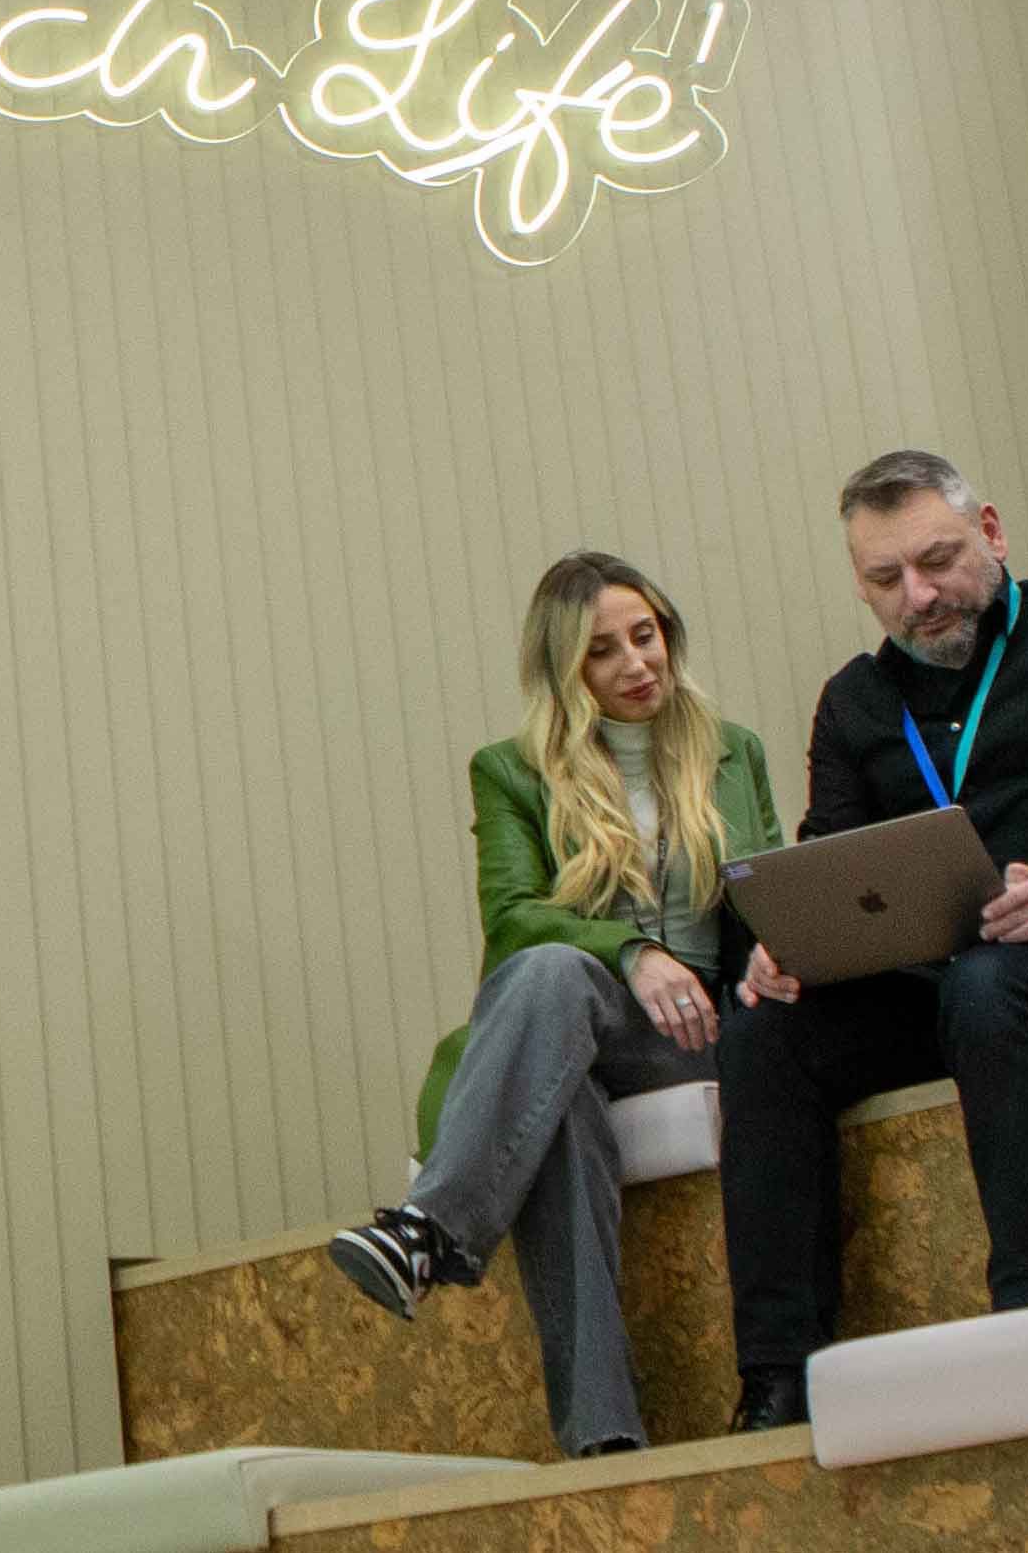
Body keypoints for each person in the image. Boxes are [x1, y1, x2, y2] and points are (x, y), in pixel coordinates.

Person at [711, 451, 1028, 1433]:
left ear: (990, 529)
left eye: (938, 559)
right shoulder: (855, 699)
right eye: (884, 579)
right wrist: (793, 944)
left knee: (990, 985)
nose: (920, 595)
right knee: (764, 1033)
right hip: (937, 976)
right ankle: (779, 1377)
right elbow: (832, 858)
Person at [325, 551, 784, 1457]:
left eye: (645, 637)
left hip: (701, 1031)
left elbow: (764, 888)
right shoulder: (512, 770)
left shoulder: (733, 751)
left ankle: (428, 1229)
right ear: (565, 673)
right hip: (584, 1024)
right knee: (555, 1051)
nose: (636, 664)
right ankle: (603, 1437)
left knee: (553, 990)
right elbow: (512, 918)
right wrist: (632, 950)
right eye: (602, 653)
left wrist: (778, 948)